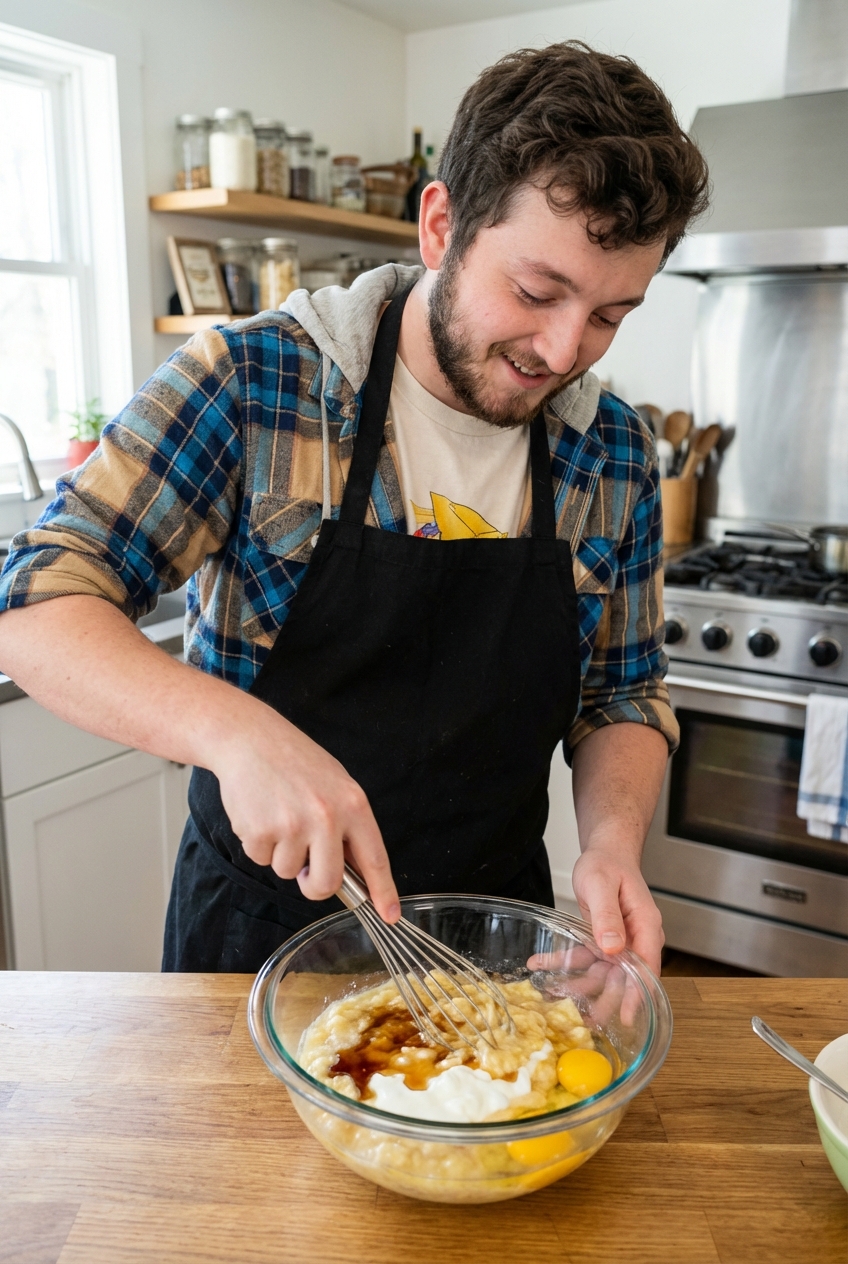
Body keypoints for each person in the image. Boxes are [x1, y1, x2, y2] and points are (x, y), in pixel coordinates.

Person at [0, 42, 708, 976]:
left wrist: (612, 846)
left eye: (613, 314)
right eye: (537, 291)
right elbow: (36, 605)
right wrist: (234, 732)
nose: (566, 347)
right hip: (257, 943)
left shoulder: (612, 450)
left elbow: (622, 691)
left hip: (493, 945)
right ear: (441, 226)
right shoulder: (253, 384)